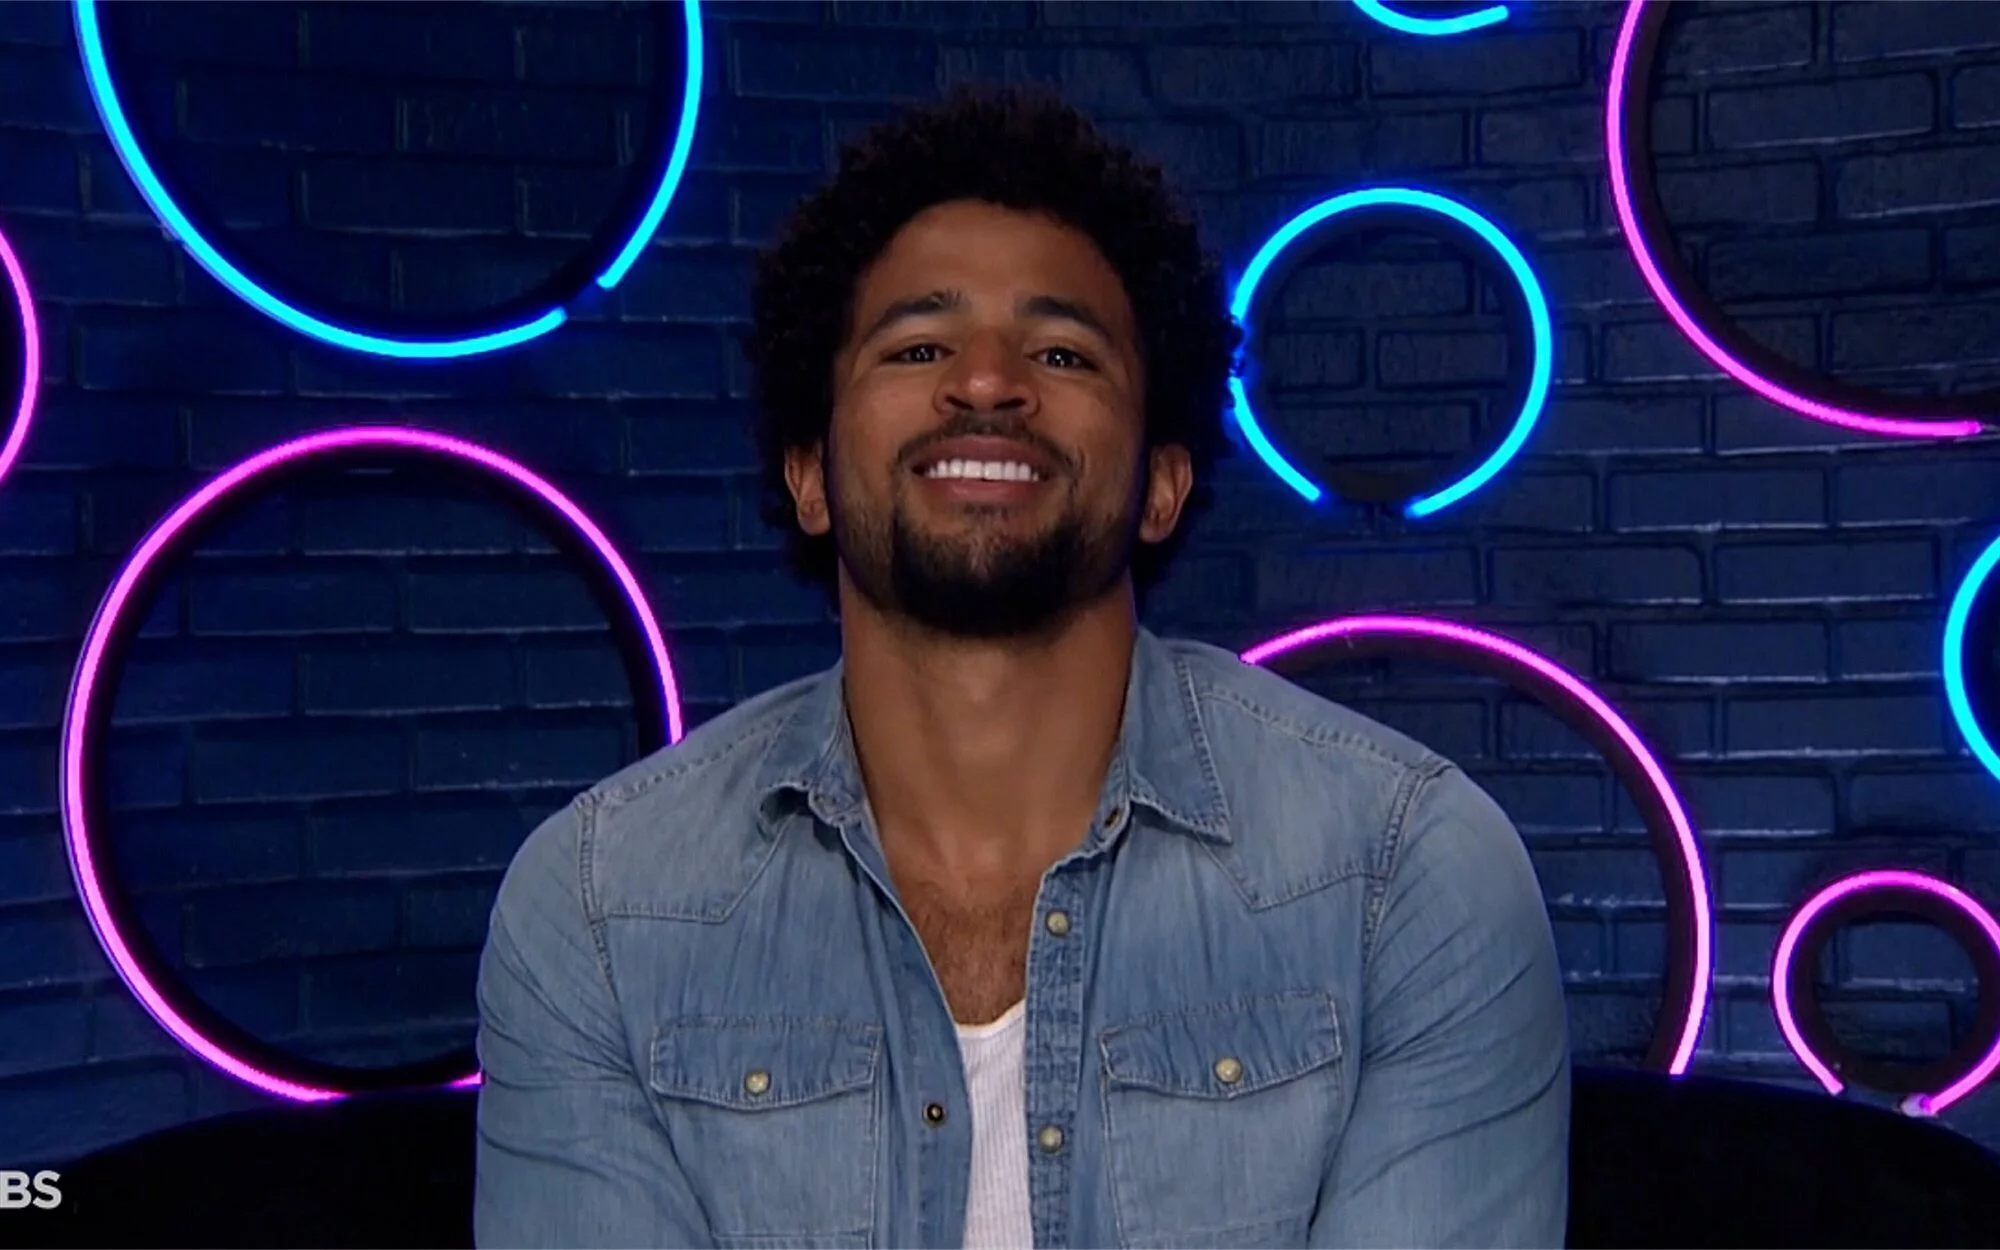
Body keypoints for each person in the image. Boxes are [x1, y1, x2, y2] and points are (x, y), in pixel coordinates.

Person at [473, 87, 1569, 1249]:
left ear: (1161, 484)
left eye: (1060, 351)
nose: (987, 382)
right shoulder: (598, 906)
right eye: (918, 346)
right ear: (807, 475)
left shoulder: (1405, 874)